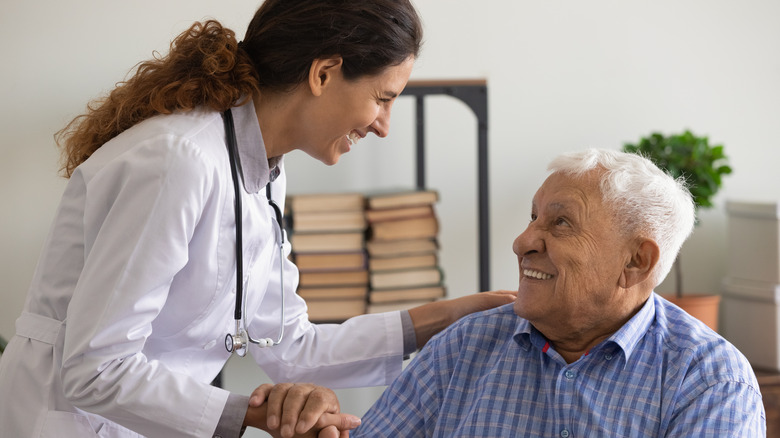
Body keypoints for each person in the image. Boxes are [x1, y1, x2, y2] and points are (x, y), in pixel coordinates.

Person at [0, 1, 515, 437]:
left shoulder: (261, 170)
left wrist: (450, 316)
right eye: (382, 99)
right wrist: (256, 413)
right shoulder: (179, 161)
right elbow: (96, 370)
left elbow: (289, 346)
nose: (383, 126)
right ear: (323, 73)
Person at [351, 149, 766, 437]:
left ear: (636, 262)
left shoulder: (711, 382)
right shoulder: (463, 347)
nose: (523, 241)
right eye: (533, 217)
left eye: (561, 223)